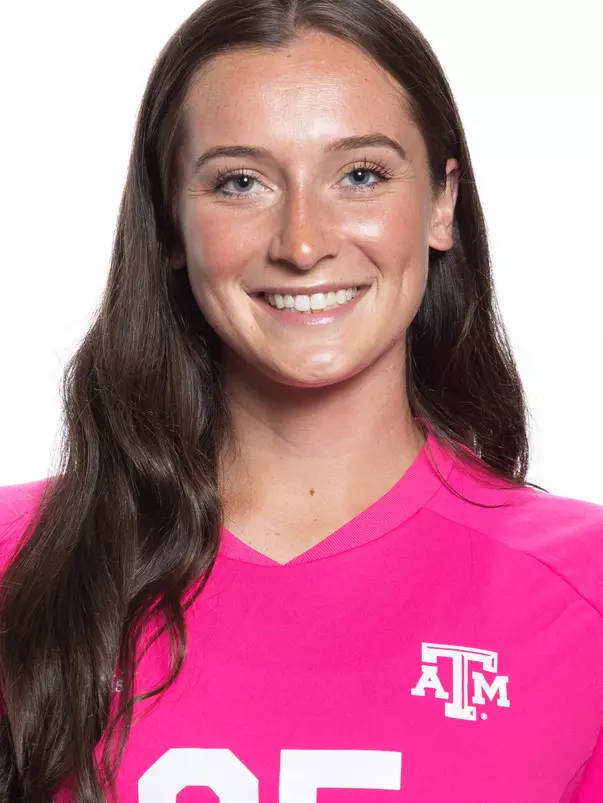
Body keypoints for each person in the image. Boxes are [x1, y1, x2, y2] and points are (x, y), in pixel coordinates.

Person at [0, 0, 602, 799]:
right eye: (240, 182)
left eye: (360, 174)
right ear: (171, 224)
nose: (303, 242)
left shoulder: (580, 589)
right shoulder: (20, 561)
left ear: (439, 204)